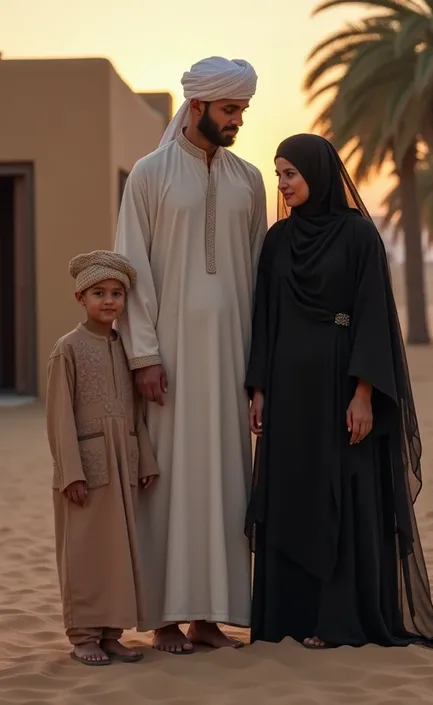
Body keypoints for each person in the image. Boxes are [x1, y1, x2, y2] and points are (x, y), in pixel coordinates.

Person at [245, 134, 433, 650]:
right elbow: (264, 318)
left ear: (317, 170)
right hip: (289, 390)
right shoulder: (277, 241)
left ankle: (336, 620)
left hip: (338, 385)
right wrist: (260, 389)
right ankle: (289, 617)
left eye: (291, 172)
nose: (283, 184)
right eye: (278, 174)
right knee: (292, 489)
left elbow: (375, 316)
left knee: (337, 491)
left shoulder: (359, 236)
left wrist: (363, 393)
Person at [114, 56, 267, 653]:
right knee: (171, 482)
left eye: (242, 111)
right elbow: (132, 266)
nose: (237, 121)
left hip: (231, 359)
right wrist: (144, 354)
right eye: (230, 110)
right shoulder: (150, 175)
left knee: (226, 484)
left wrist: (259, 370)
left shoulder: (247, 178)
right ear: (197, 106)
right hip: (168, 362)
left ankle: (211, 616)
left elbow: (259, 274)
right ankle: (165, 618)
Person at [46, 250, 159, 666]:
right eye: (99, 293)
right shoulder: (68, 349)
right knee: (85, 550)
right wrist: (70, 472)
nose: (109, 301)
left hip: (122, 464)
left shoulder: (125, 348)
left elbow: (137, 414)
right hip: (86, 471)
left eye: (116, 293)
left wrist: (144, 460)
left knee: (119, 551)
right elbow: (58, 416)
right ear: (81, 297)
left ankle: (111, 633)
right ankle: (83, 636)